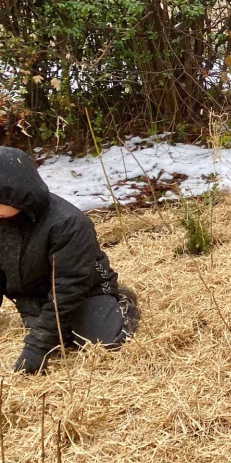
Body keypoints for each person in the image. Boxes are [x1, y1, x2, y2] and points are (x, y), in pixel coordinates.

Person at [0, 147, 140, 374]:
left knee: (103, 340)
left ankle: (120, 302)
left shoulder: (68, 223)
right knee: (56, 335)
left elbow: (69, 287)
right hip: (36, 293)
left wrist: (37, 347)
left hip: (84, 290)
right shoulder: (4, 217)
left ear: (13, 194)